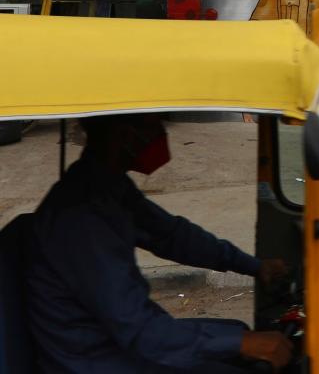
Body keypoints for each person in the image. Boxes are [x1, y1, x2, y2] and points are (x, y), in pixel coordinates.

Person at [27, 115, 292, 373]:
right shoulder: (83, 220)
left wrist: (255, 266)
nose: (161, 135)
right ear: (125, 134)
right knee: (238, 350)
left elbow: (171, 235)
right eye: (154, 126)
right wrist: (240, 344)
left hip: (109, 341)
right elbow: (142, 332)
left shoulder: (107, 186)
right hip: (91, 360)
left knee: (238, 334)